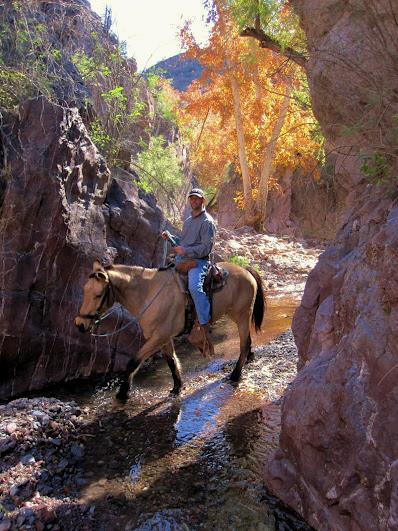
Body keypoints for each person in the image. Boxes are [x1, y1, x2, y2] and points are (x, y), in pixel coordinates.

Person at [162, 188, 216, 356]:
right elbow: (182, 242)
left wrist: (185, 251)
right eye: (191, 198)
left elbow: (206, 247)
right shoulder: (187, 221)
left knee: (194, 287)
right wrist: (171, 238)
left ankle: (204, 323)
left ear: (203, 200)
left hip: (199, 261)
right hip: (183, 259)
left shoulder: (207, 221)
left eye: (197, 199)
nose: (194, 201)